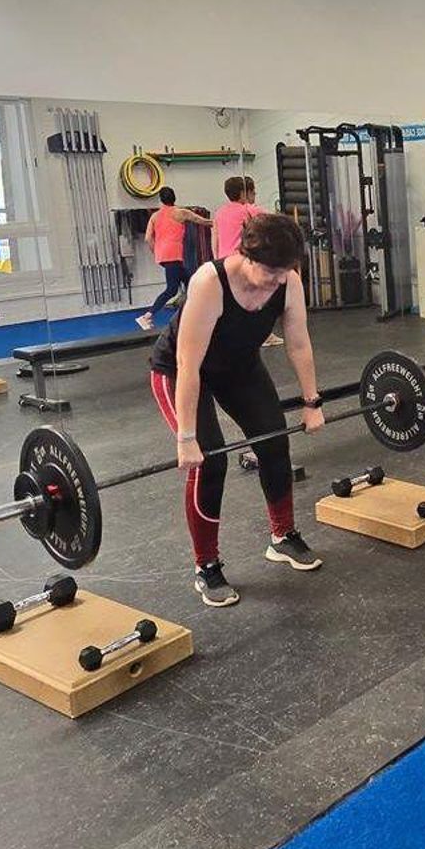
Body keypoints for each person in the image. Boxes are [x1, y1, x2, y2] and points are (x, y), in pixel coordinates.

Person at [149, 213, 325, 607]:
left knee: (275, 442)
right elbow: (188, 364)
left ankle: (282, 537)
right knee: (210, 462)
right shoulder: (210, 283)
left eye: (285, 271)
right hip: (180, 373)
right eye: (270, 271)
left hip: (239, 368)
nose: (277, 280)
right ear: (245, 254)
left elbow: (298, 343)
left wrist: (312, 402)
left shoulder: (287, 281)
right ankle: (206, 566)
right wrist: (187, 438)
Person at [213, 176, 283, 347]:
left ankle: (238, 336)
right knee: (261, 296)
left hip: (223, 262)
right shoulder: (248, 209)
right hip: (241, 262)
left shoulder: (219, 213)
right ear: (244, 193)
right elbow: (275, 220)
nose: (255, 195)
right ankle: (264, 336)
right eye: (253, 192)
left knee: (233, 302)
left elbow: (214, 238)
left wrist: (216, 261)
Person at [136, 187, 212, 331]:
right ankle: (147, 316)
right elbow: (203, 221)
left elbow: (147, 238)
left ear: (161, 200)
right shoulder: (180, 212)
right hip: (174, 255)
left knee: (190, 282)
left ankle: (195, 314)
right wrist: (219, 223)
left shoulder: (155, 216)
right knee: (171, 289)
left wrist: (156, 251)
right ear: (174, 198)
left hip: (164, 256)